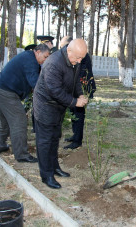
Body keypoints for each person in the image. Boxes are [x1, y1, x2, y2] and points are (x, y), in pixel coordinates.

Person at [33, 38, 88, 189]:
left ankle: (54, 167)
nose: (79, 61)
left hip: (59, 106)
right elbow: (54, 90)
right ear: (68, 50)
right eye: (77, 57)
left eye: (82, 58)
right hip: (45, 105)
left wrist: (80, 95)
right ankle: (46, 175)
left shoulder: (75, 60)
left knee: (55, 137)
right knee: (45, 141)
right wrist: (74, 102)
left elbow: (76, 81)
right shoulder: (53, 63)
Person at [0, 44, 50, 163]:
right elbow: (35, 82)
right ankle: (21, 154)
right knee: (19, 119)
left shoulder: (30, 58)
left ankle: (0, 145)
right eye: (45, 56)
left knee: (6, 119)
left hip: (0, 88)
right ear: (38, 52)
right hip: (5, 91)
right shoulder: (30, 60)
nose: (46, 60)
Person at [59, 36, 97, 150]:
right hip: (76, 88)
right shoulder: (74, 54)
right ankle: (75, 135)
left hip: (82, 88)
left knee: (79, 114)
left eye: (64, 47)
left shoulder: (81, 56)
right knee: (74, 113)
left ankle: (77, 141)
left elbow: (79, 74)